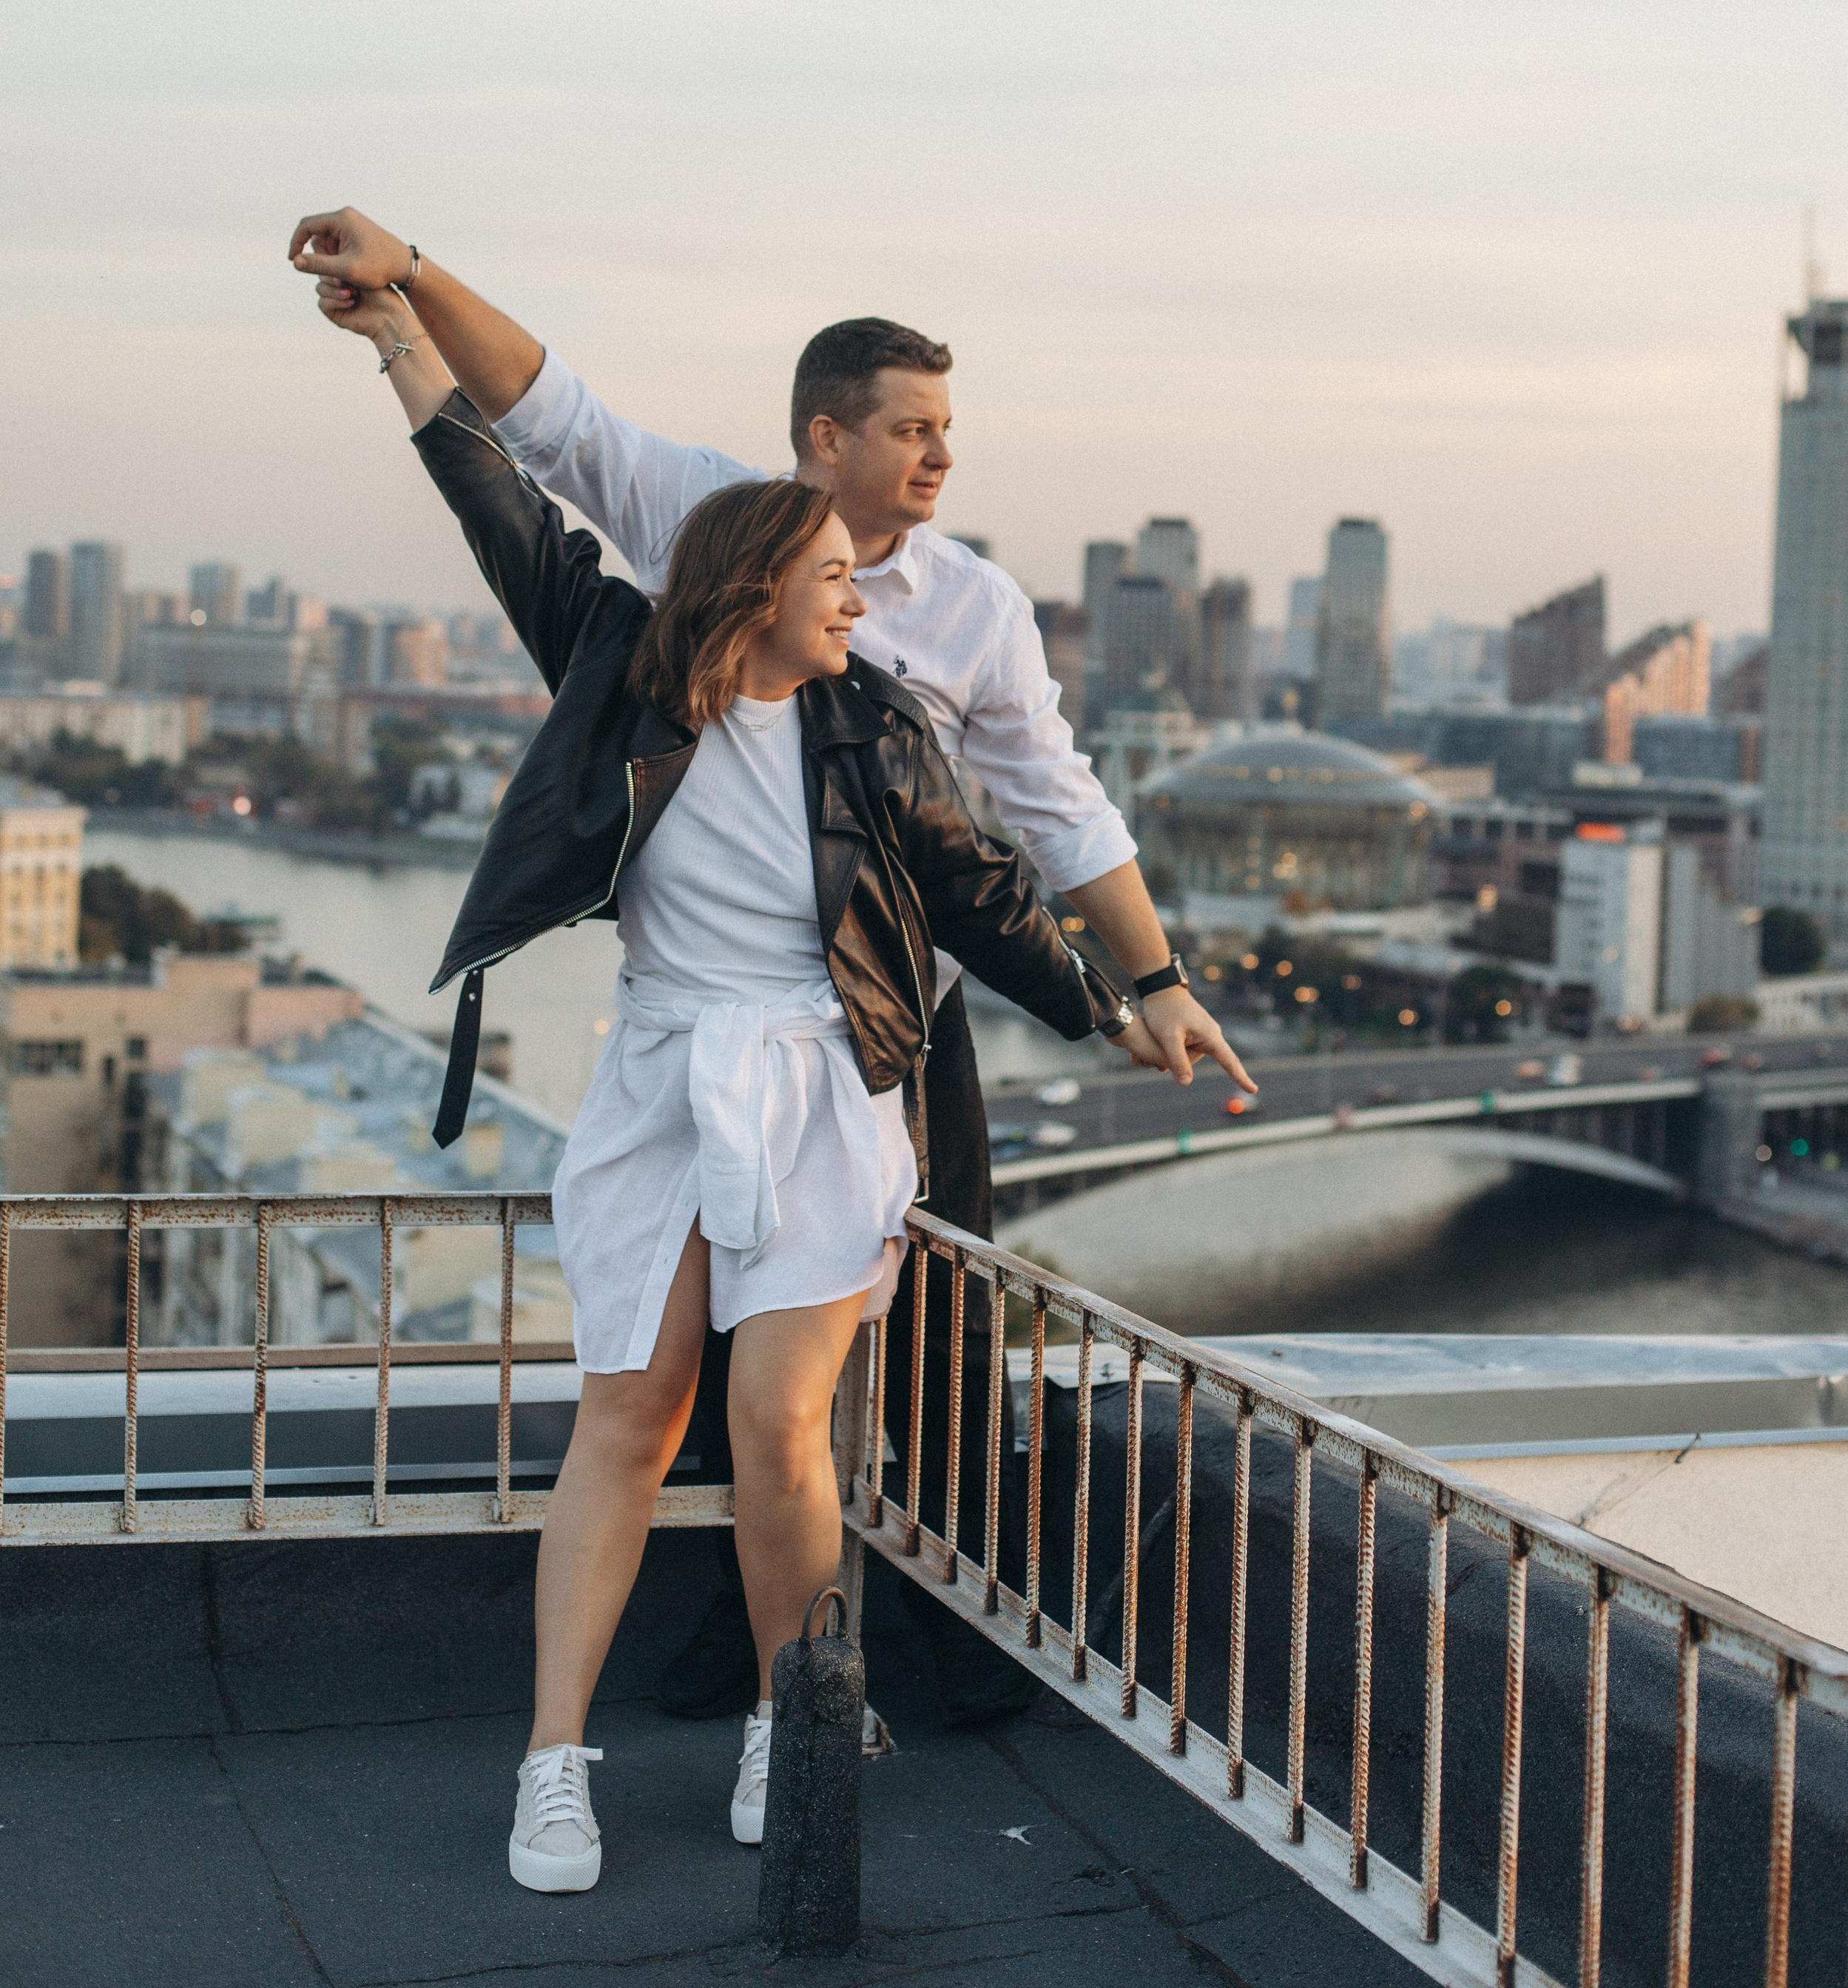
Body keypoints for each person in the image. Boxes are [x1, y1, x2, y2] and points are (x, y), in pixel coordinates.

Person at [291, 206, 1252, 1720]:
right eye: (912, 429)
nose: (940, 459)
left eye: (947, 429)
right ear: (821, 444)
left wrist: (1137, 988)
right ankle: (712, 1660)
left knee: (904, 1349)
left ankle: (874, 1658)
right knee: (678, 1380)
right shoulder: (679, 563)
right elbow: (524, 448)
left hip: (880, 1024)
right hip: (685, 1039)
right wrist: (404, 299)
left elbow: (1015, 852)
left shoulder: (925, 662)